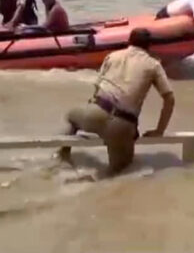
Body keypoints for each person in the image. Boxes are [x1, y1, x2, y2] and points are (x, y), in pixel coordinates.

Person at [58, 28, 175, 175]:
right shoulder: (154, 65)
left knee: (71, 116)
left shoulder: (112, 56)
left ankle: (62, 156)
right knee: (118, 172)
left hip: (96, 112)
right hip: (123, 124)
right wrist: (159, 130)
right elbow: (169, 99)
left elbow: (97, 87)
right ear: (149, 46)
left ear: (128, 42)